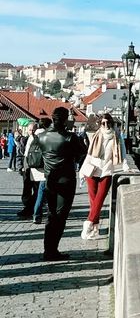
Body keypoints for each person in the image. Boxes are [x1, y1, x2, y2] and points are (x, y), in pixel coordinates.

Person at [32, 106, 85, 261]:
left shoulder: (41, 137)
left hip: (50, 180)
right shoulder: (70, 138)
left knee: (51, 214)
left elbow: (36, 157)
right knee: (61, 216)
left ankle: (48, 249)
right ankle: (52, 250)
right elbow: (83, 152)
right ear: (64, 119)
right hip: (66, 180)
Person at [79, 113, 127, 240]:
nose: (106, 125)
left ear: (111, 123)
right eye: (103, 123)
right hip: (93, 169)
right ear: (100, 124)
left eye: (108, 123)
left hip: (106, 170)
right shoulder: (96, 134)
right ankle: (95, 228)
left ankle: (88, 223)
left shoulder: (116, 135)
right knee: (93, 200)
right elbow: (89, 153)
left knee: (100, 199)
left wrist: (126, 164)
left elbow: (122, 150)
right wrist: (83, 170)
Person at [16, 123, 40, 219]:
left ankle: (32, 207)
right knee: (26, 187)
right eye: (30, 130)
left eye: (33, 129)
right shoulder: (25, 139)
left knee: (36, 188)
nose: (31, 132)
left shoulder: (39, 139)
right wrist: (20, 166)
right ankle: (27, 207)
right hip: (26, 165)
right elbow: (20, 153)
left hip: (35, 166)